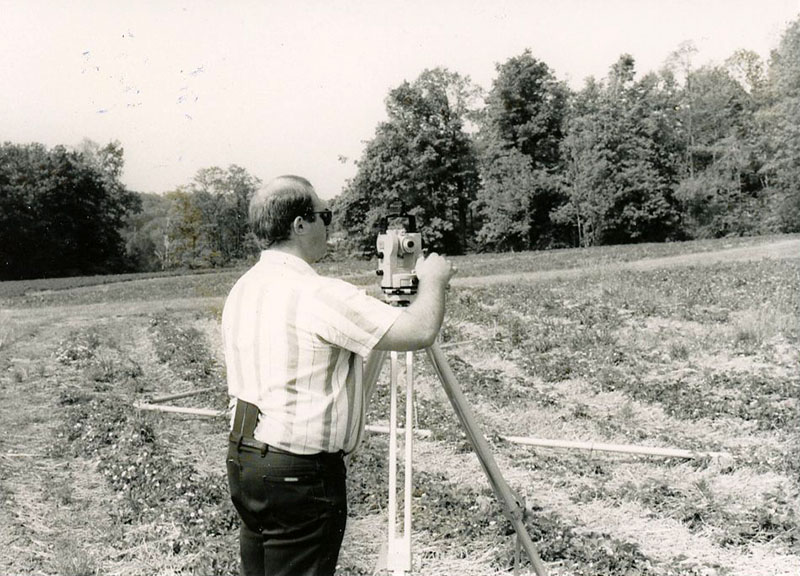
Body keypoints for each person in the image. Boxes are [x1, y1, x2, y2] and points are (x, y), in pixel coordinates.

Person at [222, 175, 456, 576]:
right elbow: (418, 331)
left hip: (247, 461)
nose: (327, 225)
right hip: (299, 473)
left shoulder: (245, 287)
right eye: (322, 215)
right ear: (299, 225)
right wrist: (433, 282)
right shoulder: (319, 294)